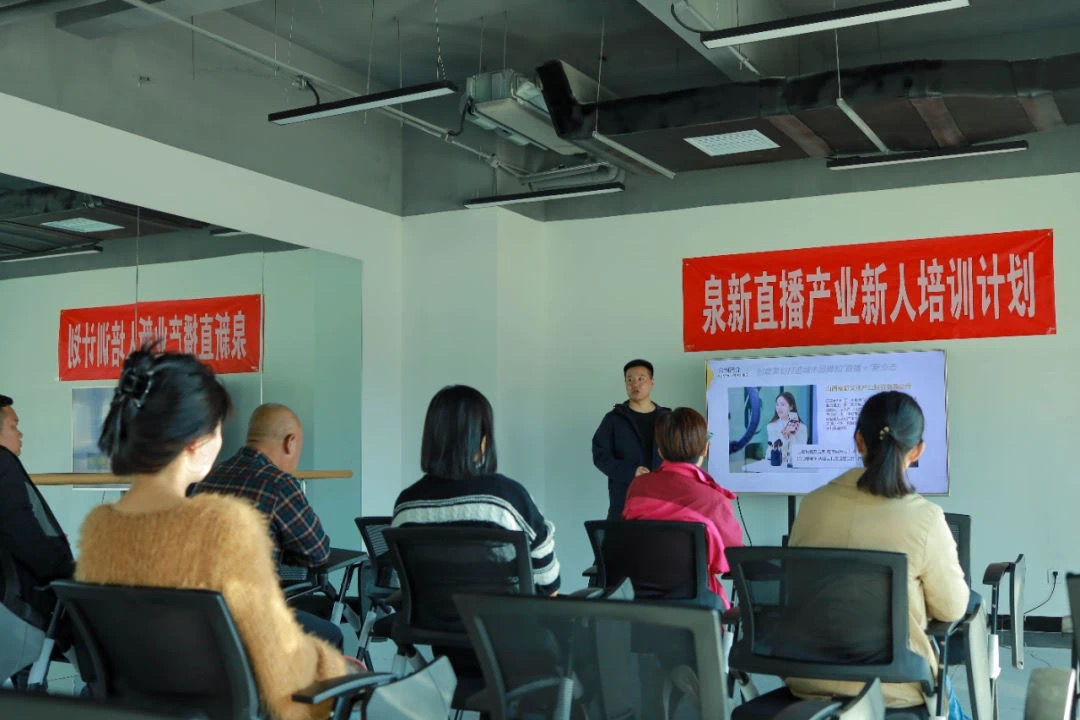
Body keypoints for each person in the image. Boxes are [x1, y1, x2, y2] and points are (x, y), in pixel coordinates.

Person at [76, 346, 354, 720]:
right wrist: (338, 668)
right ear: (197, 442)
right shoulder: (226, 526)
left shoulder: (99, 530)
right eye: (218, 429)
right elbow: (279, 665)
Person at [787, 391, 970, 719]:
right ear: (917, 450)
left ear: (859, 441)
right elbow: (952, 608)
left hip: (809, 679)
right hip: (894, 687)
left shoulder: (812, 504)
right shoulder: (925, 518)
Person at [190, 403, 340, 649]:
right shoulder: (278, 483)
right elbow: (317, 553)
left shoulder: (208, 479)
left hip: (201, 614)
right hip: (252, 619)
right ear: (290, 442)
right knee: (330, 634)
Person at [392, 385, 561, 596]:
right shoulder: (507, 500)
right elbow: (548, 584)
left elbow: (403, 587)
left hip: (426, 619)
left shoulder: (406, 506)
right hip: (503, 618)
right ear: (482, 439)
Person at [622, 407, 743, 607]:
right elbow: (733, 558)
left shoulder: (638, 487)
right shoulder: (713, 500)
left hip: (640, 604)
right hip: (698, 610)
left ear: (660, 451)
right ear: (705, 448)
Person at [0, 394, 75, 622]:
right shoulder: (4, 462)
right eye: (13, 426)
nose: (20, 434)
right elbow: (20, 531)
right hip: (24, 598)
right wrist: (67, 570)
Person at [592, 360, 671, 519]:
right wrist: (631, 472)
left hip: (663, 500)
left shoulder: (667, 418)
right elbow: (601, 456)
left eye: (641, 379)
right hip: (625, 500)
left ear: (652, 382)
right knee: (621, 535)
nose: (635, 384)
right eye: (630, 380)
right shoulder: (614, 419)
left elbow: (679, 453)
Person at [766, 391, 807, 465]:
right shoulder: (771, 426)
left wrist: (792, 435)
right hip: (775, 465)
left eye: (782, 404)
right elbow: (771, 452)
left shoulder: (802, 428)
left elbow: (801, 453)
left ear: (791, 407)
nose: (779, 408)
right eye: (777, 404)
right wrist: (785, 437)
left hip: (795, 466)